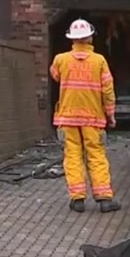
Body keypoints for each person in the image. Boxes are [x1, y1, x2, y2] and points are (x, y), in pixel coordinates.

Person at [51, 18, 121, 214]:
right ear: (90, 37)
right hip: (93, 118)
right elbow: (108, 91)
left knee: (72, 157)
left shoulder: (60, 59)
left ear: (72, 39)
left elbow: (55, 75)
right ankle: (105, 199)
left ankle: (77, 198)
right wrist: (111, 115)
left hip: (67, 118)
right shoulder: (99, 61)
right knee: (96, 156)